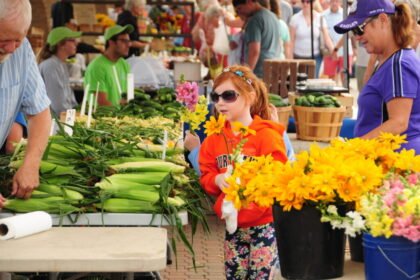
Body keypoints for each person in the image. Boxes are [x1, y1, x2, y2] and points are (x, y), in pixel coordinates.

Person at [199, 65, 288, 279]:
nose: (220, 102)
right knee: (235, 276)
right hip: (233, 226)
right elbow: (206, 174)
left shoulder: (266, 135)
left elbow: (278, 174)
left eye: (228, 95)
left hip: (264, 223)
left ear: (250, 96)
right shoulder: (214, 139)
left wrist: (251, 183)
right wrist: (217, 180)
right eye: (216, 96)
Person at [334, 0, 420, 154]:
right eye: (353, 32)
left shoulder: (398, 64)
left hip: (395, 163)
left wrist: (354, 148)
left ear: (382, 20)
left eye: (360, 29)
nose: (357, 37)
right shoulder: (389, 60)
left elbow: (399, 123)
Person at [0, 0, 52, 208]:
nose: (11, 48)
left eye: (18, 39)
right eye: (3, 39)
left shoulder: (21, 52)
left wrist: (31, 163)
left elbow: (39, 112)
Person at [84, 25, 133, 107]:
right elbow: (102, 103)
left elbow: (129, 96)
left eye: (129, 41)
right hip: (103, 118)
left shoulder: (124, 64)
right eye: (124, 41)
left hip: (122, 117)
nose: (128, 45)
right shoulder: (97, 67)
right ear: (111, 42)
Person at [38, 27, 81, 117]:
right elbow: (57, 104)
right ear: (61, 44)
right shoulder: (51, 66)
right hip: (55, 123)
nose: (76, 43)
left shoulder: (60, 64)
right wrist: (73, 118)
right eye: (72, 40)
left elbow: (68, 98)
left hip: (62, 119)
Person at [232, 0, 282, 78]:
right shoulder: (273, 16)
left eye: (240, 8)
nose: (240, 13)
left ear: (249, 2)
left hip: (259, 73)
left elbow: (254, 51)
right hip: (274, 70)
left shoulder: (255, 20)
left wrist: (246, 75)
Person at [289, 0, 334, 77]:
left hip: (315, 57)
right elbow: (291, 41)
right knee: (300, 81)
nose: (305, 4)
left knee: (313, 80)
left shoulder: (320, 18)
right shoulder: (295, 19)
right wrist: (290, 59)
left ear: (313, 3)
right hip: (298, 57)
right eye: (303, 1)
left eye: (308, 2)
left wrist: (334, 51)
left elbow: (327, 38)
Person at [322, 0, 354, 84]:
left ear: (340, 2)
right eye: (332, 1)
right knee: (330, 79)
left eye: (336, 1)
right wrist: (332, 49)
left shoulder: (346, 14)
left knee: (345, 78)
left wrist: (355, 48)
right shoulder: (323, 15)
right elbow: (324, 35)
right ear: (329, 2)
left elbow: (351, 33)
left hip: (345, 51)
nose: (334, 3)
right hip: (329, 52)